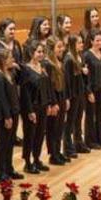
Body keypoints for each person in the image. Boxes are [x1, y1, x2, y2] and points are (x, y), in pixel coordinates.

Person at [21, 40, 53, 175]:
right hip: (32, 107)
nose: (41, 54)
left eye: (42, 52)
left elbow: (47, 86)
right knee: (30, 135)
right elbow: (25, 93)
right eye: (38, 52)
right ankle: (27, 162)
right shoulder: (26, 69)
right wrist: (29, 111)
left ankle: (37, 158)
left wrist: (49, 103)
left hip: (43, 105)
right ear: (31, 53)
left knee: (40, 134)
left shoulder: (42, 66)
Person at [0, 48, 22, 182]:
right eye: (10, 58)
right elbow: (0, 99)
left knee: (9, 143)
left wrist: (17, 68)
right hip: (2, 116)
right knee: (2, 143)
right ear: (2, 61)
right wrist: (7, 117)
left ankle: (8, 169)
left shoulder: (9, 72)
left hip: (12, 113)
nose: (13, 60)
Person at [0, 19, 24, 146]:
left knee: (15, 108)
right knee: (6, 105)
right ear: (3, 30)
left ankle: (13, 134)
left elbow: (19, 60)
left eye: (14, 29)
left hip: (14, 80)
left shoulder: (16, 44)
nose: (13, 31)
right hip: (3, 79)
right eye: (10, 29)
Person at [63, 34, 89, 157]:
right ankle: (68, 147)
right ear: (73, 44)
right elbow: (67, 80)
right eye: (79, 43)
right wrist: (67, 97)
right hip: (73, 94)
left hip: (80, 92)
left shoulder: (79, 56)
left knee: (78, 119)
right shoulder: (68, 59)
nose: (82, 45)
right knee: (70, 121)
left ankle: (79, 142)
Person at [82, 30, 101, 149]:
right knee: (90, 115)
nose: (99, 43)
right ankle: (90, 141)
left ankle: (100, 139)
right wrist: (89, 92)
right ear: (92, 41)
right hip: (92, 90)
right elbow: (85, 76)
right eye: (97, 40)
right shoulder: (87, 55)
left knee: (99, 114)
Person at [44, 37, 68, 165]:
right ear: (51, 49)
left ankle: (58, 151)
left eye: (62, 47)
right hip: (54, 98)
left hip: (61, 96)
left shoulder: (59, 61)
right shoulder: (48, 64)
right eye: (58, 47)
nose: (62, 49)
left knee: (60, 127)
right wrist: (52, 103)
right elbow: (49, 86)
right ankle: (53, 154)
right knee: (52, 128)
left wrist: (65, 98)